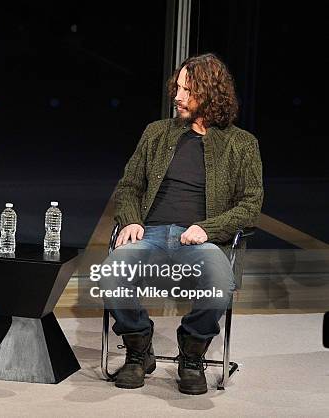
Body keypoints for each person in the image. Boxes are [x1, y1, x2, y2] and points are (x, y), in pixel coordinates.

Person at [100, 53, 263, 394]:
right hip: (151, 233)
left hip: (202, 240)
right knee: (112, 273)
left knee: (219, 286)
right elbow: (129, 185)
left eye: (187, 91)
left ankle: (192, 352)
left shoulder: (242, 144)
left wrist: (209, 228)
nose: (177, 97)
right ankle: (138, 349)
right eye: (177, 88)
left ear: (212, 93)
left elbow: (250, 206)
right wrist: (130, 219)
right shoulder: (157, 133)